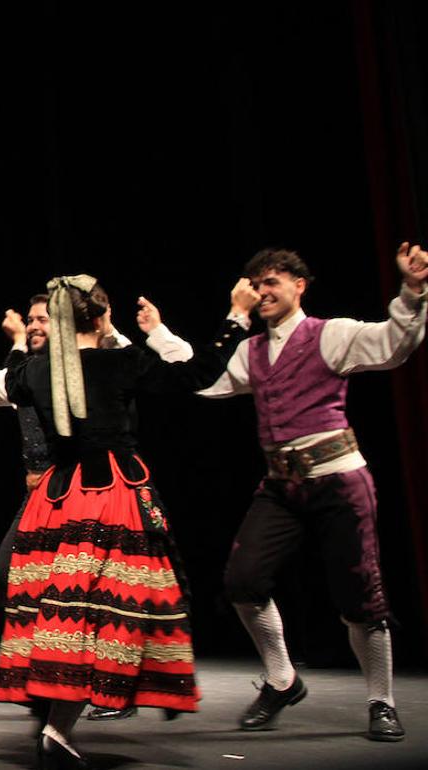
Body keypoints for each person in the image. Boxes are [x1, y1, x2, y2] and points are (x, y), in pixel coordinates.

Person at [0, 275, 250, 768]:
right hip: (108, 492)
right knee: (107, 609)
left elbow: (15, 378)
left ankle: (54, 712)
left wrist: (20, 341)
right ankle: (58, 725)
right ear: (100, 317)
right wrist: (235, 319)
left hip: (57, 496)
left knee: (64, 605)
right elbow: (197, 374)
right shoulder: (118, 362)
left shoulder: (37, 370)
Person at [0, 295, 194, 720]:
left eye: (43, 319)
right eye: (30, 319)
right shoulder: (34, 372)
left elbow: (179, 369)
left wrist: (132, 329)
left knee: (104, 591)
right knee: (4, 577)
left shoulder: (106, 362)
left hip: (100, 494)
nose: (34, 325)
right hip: (47, 500)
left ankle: (105, 683)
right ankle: (54, 675)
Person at [199, 244, 428, 741]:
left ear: (299, 286)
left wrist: (412, 291)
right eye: (255, 285)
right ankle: (282, 680)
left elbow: (394, 343)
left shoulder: (331, 334)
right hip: (281, 487)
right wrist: (151, 337)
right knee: (242, 581)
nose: (262, 292)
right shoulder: (251, 351)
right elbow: (203, 380)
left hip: (339, 481)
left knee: (360, 599)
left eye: (272, 282)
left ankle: (382, 701)